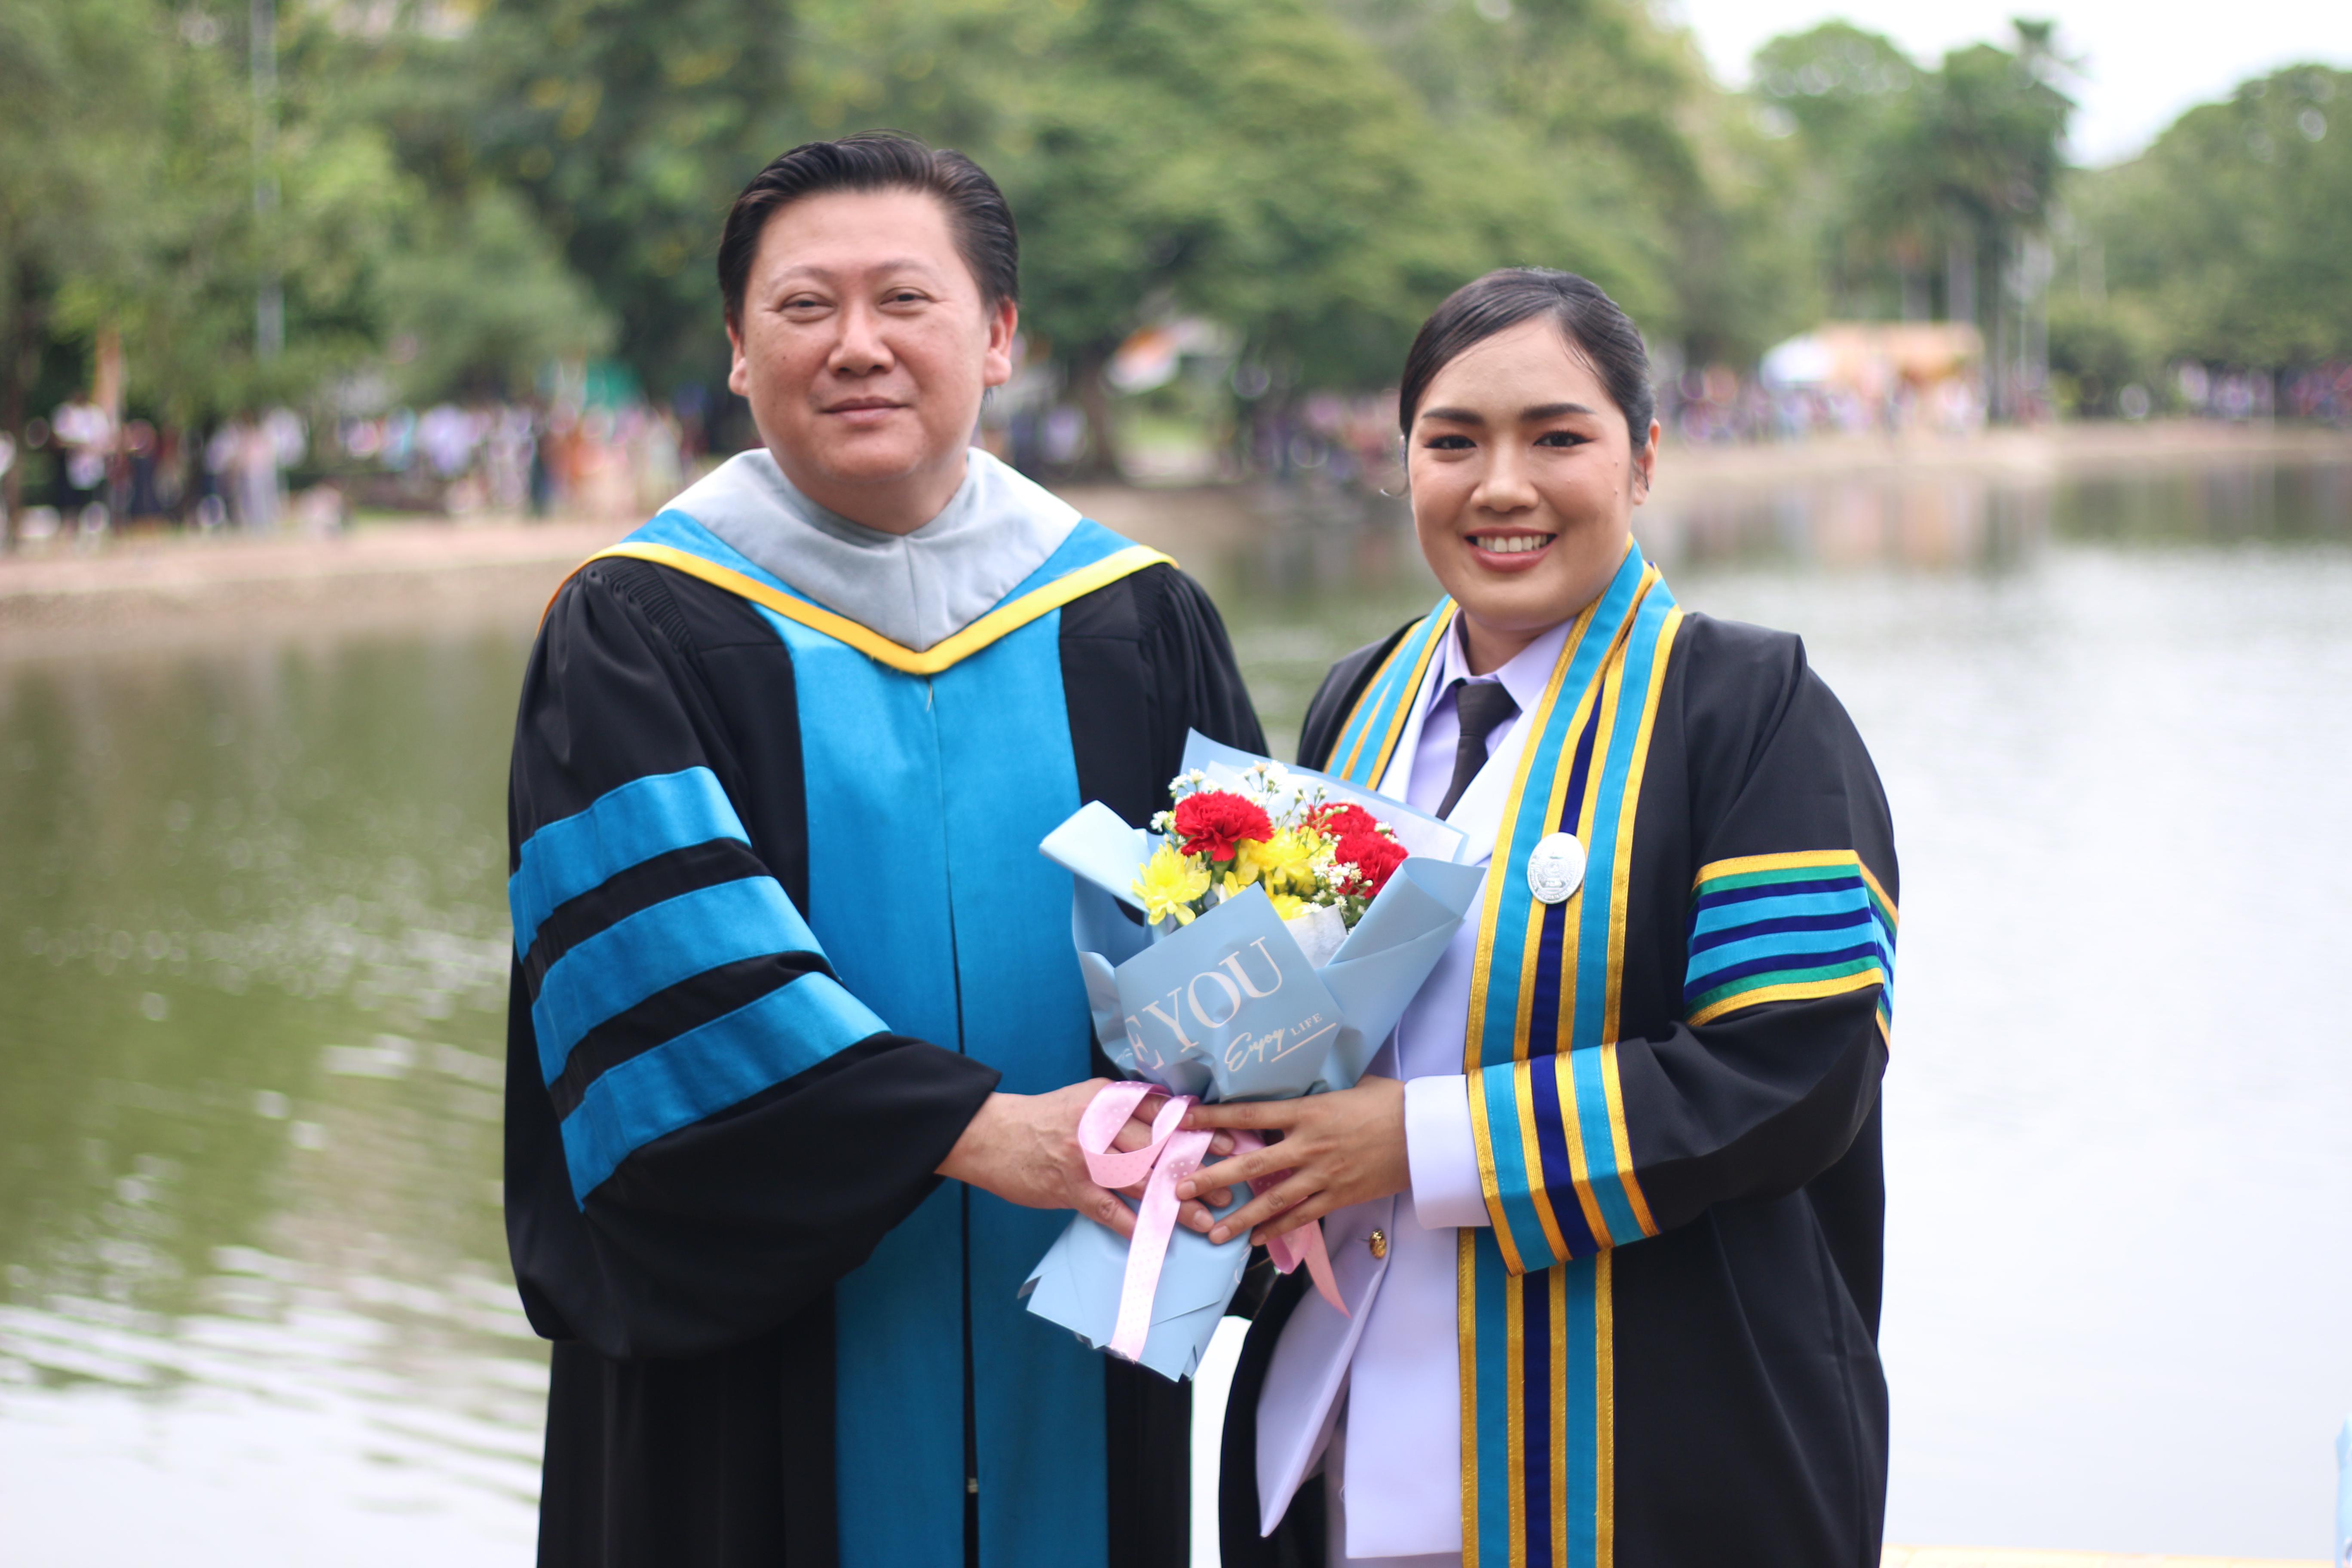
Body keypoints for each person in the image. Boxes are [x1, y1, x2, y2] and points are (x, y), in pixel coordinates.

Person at [502, 133, 1265, 1568]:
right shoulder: (634, 628)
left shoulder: (1136, 617)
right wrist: (986, 1137)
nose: (857, 345)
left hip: (1085, 1326)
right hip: (757, 1375)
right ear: (738, 349)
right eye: (805, 308)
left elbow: (1246, 968)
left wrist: (1249, 1114)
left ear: (998, 338)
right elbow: (659, 991)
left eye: (905, 301)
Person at [1189, 269, 1896, 1568]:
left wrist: (1412, 1142)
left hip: (1642, 1454)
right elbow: (1309, 1029)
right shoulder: (1360, 701)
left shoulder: (1746, 709)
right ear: (1401, 464)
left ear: (1644, 460)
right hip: (1341, 1445)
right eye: (1452, 441)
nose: (1500, 486)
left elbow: (1794, 1076)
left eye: (1557, 437)